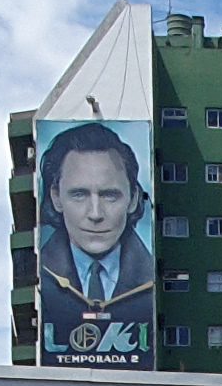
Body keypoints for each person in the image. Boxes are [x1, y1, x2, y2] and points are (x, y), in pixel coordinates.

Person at [33, 122, 154, 362]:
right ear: (56, 197)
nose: (96, 214)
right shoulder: (41, 277)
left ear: (133, 199)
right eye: (79, 195)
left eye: (110, 195)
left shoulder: (152, 281)